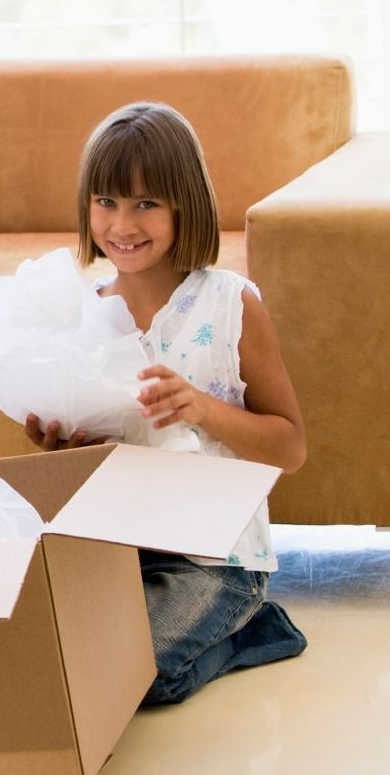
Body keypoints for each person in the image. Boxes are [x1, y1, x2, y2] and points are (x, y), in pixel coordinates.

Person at [26, 101, 307, 704]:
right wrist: (63, 444)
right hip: (119, 548)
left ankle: (255, 629)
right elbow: (95, 457)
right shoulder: (84, 313)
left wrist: (201, 408)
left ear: (185, 205)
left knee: (134, 674)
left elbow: (291, 449)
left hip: (217, 559)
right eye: (106, 202)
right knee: (52, 658)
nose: (122, 224)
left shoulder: (230, 304)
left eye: (146, 203)